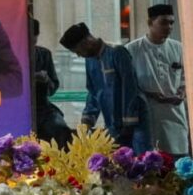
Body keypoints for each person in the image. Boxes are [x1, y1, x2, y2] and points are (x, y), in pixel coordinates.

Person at [59, 22, 149, 152]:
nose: (79, 55)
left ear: (86, 42)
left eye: (78, 51)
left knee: (142, 158)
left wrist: (128, 123)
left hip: (136, 122)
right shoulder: (89, 61)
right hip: (113, 124)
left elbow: (130, 88)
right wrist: (87, 122)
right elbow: (93, 93)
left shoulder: (117, 52)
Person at [126, 4, 189, 156]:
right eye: (164, 22)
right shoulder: (132, 49)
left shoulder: (179, 48)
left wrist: (182, 92)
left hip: (175, 115)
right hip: (148, 116)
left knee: (180, 160)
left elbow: (186, 78)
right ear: (150, 23)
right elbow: (128, 85)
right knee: (152, 159)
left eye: (171, 23)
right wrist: (150, 94)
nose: (169, 27)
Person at [31, 18, 72, 148]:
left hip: (43, 108)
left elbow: (53, 88)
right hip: (18, 108)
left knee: (60, 129)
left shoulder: (44, 54)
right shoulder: (12, 54)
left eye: (34, 38)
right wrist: (31, 78)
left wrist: (47, 80)